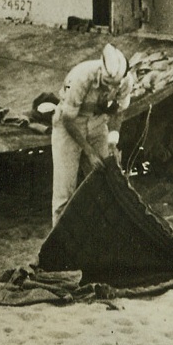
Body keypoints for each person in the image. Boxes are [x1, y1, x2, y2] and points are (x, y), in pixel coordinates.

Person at [50, 43, 133, 227]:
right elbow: (67, 119)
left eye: (114, 85)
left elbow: (118, 112)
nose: (109, 89)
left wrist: (113, 143)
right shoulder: (80, 76)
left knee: (106, 180)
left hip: (97, 122)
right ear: (101, 75)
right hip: (69, 125)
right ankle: (59, 245)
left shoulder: (126, 81)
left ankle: (98, 234)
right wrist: (89, 152)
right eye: (106, 85)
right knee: (65, 192)